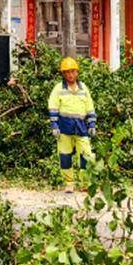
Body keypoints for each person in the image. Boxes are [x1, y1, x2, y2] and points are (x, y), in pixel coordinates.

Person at [46, 54, 96, 187]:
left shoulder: (83, 88)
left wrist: (92, 124)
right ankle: (69, 183)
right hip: (64, 126)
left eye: (72, 71)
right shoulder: (58, 89)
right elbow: (53, 106)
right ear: (63, 74)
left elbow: (90, 107)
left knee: (86, 155)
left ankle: (86, 183)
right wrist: (54, 126)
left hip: (81, 126)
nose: (70, 75)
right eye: (67, 72)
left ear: (77, 72)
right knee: (65, 156)